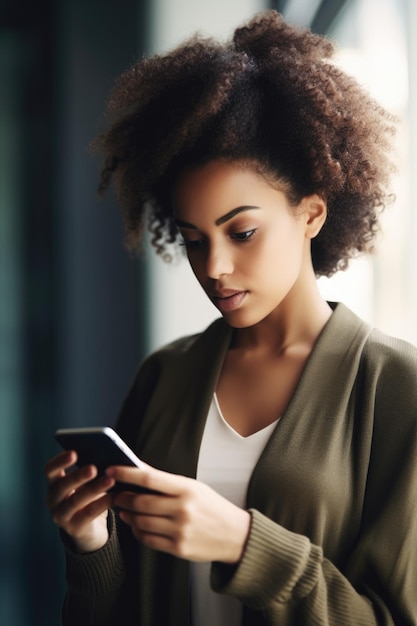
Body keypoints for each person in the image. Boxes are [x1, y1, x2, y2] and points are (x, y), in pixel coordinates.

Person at [45, 10, 417, 626]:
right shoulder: (165, 376)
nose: (214, 267)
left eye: (242, 231)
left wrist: (246, 546)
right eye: (193, 239)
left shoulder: (395, 389)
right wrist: (91, 542)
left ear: (313, 213)